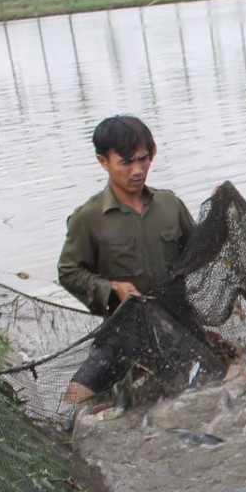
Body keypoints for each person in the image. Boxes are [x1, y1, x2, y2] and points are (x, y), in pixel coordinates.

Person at [57, 115, 196, 404]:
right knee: (73, 399)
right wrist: (112, 288)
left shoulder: (170, 204)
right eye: (126, 162)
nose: (138, 170)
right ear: (103, 161)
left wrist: (217, 216)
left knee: (197, 394)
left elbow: (198, 255)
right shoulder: (89, 217)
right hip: (124, 332)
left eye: (144, 159)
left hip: (177, 327)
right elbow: (69, 272)